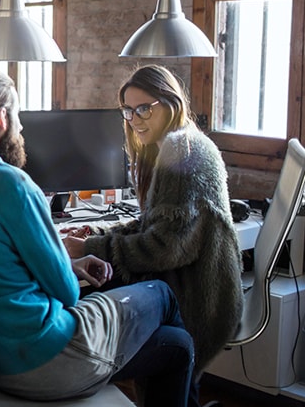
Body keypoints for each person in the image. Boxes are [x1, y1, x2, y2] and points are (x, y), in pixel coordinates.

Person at [0, 70, 195, 407]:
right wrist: (67, 264)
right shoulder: (15, 185)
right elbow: (66, 293)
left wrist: (70, 262)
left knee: (176, 344)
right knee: (163, 294)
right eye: (18, 117)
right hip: (46, 363)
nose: (21, 129)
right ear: (2, 119)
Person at [62, 65, 243, 377]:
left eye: (144, 108)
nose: (134, 120)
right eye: (128, 111)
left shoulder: (182, 150)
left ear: (171, 103)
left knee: (79, 307)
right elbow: (155, 225)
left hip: (200, 300)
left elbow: (166, 248)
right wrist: (96, 232)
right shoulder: (171, 145)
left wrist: (90, 247)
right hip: (187, 287)